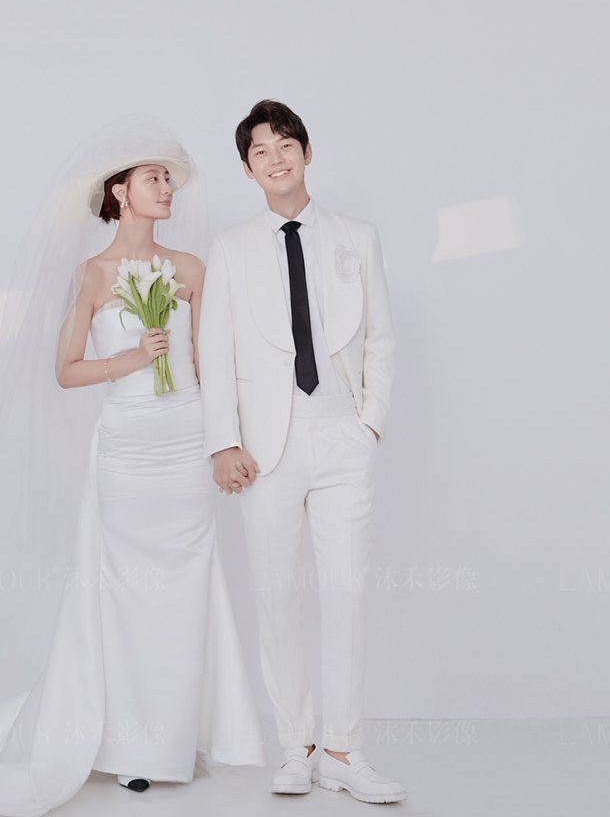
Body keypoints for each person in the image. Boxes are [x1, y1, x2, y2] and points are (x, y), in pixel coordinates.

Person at [0, 118, 264, 816]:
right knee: (127, 592)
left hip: (184, 441)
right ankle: (131, 748)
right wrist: (132, 359)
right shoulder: (91, 276)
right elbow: (66, 369)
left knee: (185, 589)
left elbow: (215, 366)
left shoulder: (192, 271)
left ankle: (173, 740)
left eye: (169, 178)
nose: (167, 187)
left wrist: (225, 440)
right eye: (154, 178)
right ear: (120, 191)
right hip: (128, 448)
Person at [197, 100, 406, 804]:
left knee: (346, 592)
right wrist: (223, 442)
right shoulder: (231, 249)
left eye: (285, 144)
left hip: (342, 432)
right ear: (247, 169)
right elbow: (215, 350)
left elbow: (381, 337)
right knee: (277, 597)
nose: (275, 158)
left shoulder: (357, 237)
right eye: (260, 151)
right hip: (265, 447)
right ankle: (297, 746)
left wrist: (368, 425)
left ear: (307, 153)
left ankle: (344, 751)